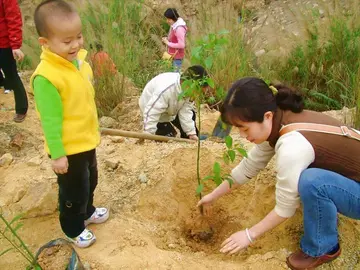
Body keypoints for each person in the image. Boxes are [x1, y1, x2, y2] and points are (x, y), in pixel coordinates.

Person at [197, 77, 360, 269]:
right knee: (310, 178)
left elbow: (285, 209)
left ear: (266, 116)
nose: (242, 135)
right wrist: (213, 196)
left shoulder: (292, 145)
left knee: (312, 182)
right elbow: (249, 167)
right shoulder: (280, 119)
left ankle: (322, 247)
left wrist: (248, 235)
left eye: (244, 128)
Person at [31, 0, 109, 248]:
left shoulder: (79, 64)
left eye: (78, 36)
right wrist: (57, 154)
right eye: (67, 41)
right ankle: (72, 227)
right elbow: (50, 120)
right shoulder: (47, 77)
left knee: (90, 180)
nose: (75, 44)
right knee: (73, 190)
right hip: (68, 147)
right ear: (45, 43)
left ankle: (87, 212)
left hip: (86, 140)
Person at [139, 65, 210, 141]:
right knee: (168, 137)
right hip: (154, 109)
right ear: (190, 84)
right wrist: (148, 132)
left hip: (173, 108)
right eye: (198, 91)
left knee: (192, 114)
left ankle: (187, 136)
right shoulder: (165, 90)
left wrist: (191, 133)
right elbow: (152, 111)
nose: (198, 95)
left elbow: (186, 111)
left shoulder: (189, 91)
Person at [0, 0, 28, 122]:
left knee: (11, 75)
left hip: (4, 43)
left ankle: (21, 109)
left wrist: (15, 45)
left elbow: (13, 18)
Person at [162, 8, 187, 72]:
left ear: (174, 18)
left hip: (177, 57)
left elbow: (182, 45)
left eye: (169, 19)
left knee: (175, 76)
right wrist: (167, 39)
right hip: (172, 55)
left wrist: (167, 43)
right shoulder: (174, 24)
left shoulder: (179, 28)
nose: (167, 21)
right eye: (166, 19)